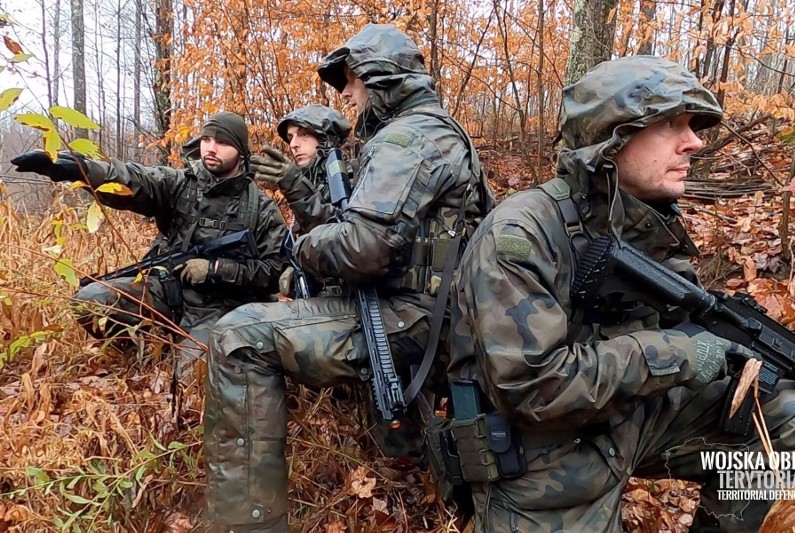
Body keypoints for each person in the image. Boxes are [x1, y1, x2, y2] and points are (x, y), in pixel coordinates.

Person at [446, 56, 795, 532]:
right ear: (613, 137)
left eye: (692, 126)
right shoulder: (519, 235)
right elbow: (531, 389)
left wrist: (723, 350)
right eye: (672, 123)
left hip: (625, 419)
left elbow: (670, 327)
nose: (694, 142)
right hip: (536, 453)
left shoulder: (644, 220)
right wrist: (683, 353)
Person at [201, 24, 494, 531]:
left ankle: (247, 522)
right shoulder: (437, 130)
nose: (345, 95)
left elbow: (362, 250)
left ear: (379, 78)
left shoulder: (406, 139)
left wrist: (306, 249)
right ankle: (414, 469)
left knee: (237, 335)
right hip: (443, 313)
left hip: (415, 317)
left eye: (351, 81)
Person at [11, 112, 288, 380]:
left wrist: (216, 269)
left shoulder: (260, 208)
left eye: (222, 142)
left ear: (240, 151)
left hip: (218, 309)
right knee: (91, 302)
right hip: (166, 291)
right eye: (206, 140)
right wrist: (75, 168)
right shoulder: (180, 184)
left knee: (192, 381)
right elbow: (133, 178)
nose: (211, 148)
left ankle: (186, 352)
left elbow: (274, 271)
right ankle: (148, 352)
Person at [249, 104, 353, 295]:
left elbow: (345, 239)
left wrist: (295, 186)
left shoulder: (351, 179)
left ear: (325, 139)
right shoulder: (308, 181)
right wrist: (298, 269)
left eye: (304, 134)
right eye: (290, 137)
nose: (294, 144)